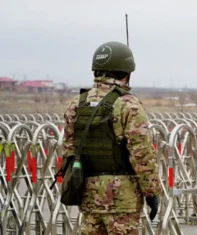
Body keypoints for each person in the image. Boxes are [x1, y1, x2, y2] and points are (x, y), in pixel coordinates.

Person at [61, 41, 162, 234]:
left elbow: (69, 150)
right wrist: (152, 193)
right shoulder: (128, 105)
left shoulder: (76, 104)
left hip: (89, 196)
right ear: (126, 72)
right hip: (122, 200)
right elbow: (142, 155)